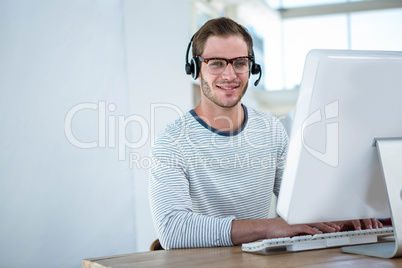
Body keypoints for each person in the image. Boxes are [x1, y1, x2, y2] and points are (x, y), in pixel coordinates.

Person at [149, 17, 382, 249]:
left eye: (239, 62)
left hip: (258, 261)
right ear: (196, 69)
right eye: (216, 63)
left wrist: (338, 215)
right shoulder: (172, 142)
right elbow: (172, 230)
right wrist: (269, 227)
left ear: (252, 68)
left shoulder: (271, 129)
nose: (230, 75)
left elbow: (299, 204)